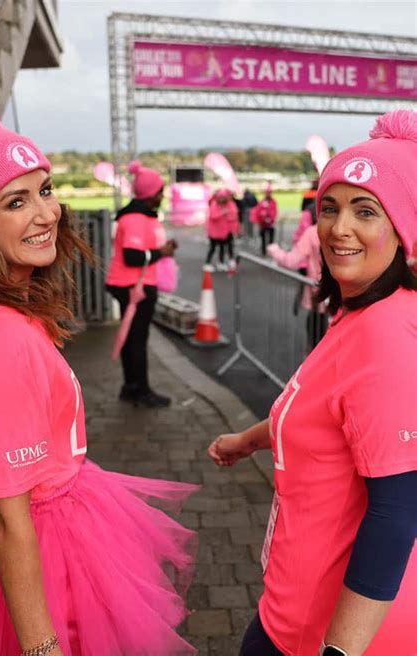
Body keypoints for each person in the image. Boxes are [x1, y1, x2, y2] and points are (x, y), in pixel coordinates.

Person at [0, 90, 198, 656]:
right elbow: (9, 519)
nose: (47, 213)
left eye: (46, 189)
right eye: (15, 202)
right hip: (46, 542)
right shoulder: (1, 341)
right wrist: (42, 648)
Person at [208, 109, 417, 656]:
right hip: (293, 605)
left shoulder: (385, 335)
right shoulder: (363, 311)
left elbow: (398, 511)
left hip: (319, 630)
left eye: (365, 211)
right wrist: (245, 441)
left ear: (404, 228)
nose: (337, 227)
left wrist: (339, 651)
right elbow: (319, 411)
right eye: (329, 207)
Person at [106, 160, 178, 407]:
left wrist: (160, 251)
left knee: (132, 338)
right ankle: (140, 391)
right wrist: (163, 252)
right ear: (150, 194)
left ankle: (131, 387)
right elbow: (133, 256)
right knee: (137, 339)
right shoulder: (136, 218)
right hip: (132, 286)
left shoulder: (138, 214)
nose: (162, 195)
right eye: (160, 191)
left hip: (133, 284)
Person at [267, 213, 328, 350]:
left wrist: (274, 250)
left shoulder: (313, 232)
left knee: (317, 333)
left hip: (319, 292)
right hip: (340, 295)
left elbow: (291, 261)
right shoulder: (347, 231)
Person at [204, 188, 238, 272]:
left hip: (223, 232)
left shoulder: (229, 204)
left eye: (224, 197)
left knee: (223, 247)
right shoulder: (214, 204)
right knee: (213, 248)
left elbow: (233, 215)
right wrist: (222, 213)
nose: (222, 199)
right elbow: (213, 216)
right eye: (220, 197)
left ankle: (221, 263)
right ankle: (207, 263)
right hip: (214, 232)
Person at [250, 183, 278, 255]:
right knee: (263, 239)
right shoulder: (262, 202)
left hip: (271, 224)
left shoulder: (273, 201)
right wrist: (263, 217)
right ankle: (264, 252)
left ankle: (271, 252)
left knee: (271, 240)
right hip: (263, 223)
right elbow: (258, 211)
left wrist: (271, 218)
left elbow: (274, 211)